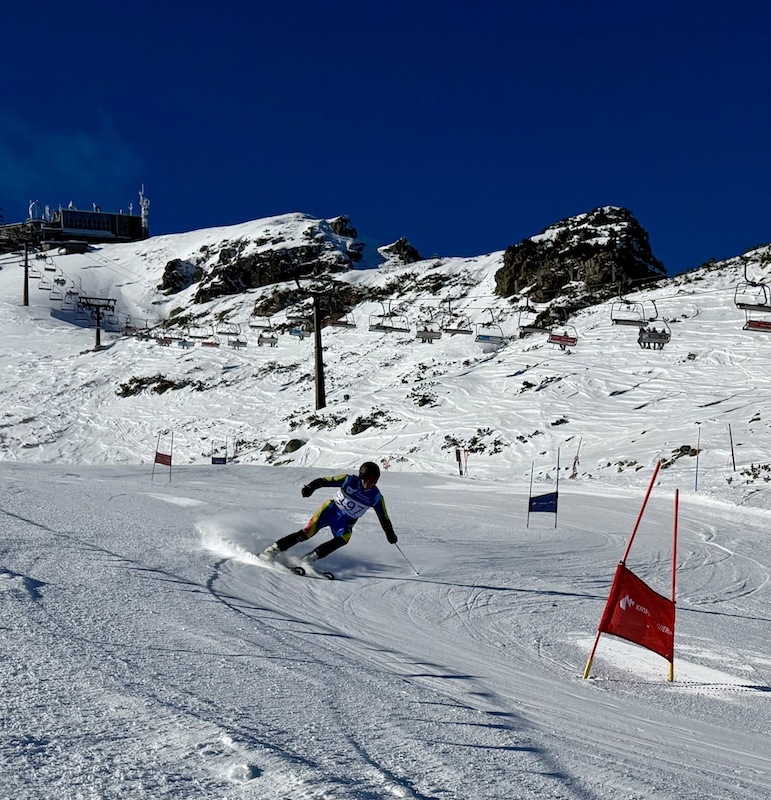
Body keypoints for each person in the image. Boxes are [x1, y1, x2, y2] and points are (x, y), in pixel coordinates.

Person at [259, 461, 397, 568]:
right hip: (330, 511)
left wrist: (390, 534)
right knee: (307, 533)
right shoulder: (349, 480)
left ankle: (308, 560)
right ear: (361, 476)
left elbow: (384, 518)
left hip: (345, 522)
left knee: (344, 538)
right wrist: (310, 487)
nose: (369, 483)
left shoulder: (376, 497)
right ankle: (271, 551)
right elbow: (325, 481)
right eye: (366, 479)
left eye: (373, 480)